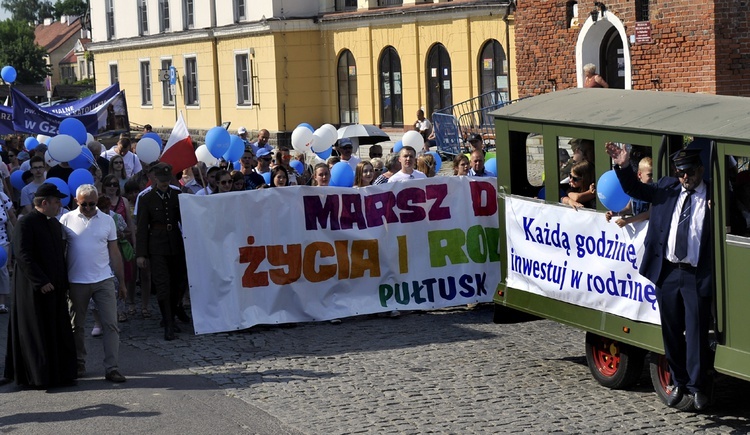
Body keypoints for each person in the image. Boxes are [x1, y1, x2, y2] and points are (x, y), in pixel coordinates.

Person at [606, 143, 712, 411]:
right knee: (671, 332)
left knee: (697, 333)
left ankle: (698, 387)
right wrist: (623, 165)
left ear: (700, 170)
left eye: (688, 172)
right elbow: (636, 190)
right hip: (668, 272)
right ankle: (679, 382)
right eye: (680, 172)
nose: (684, 178)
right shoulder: (668, 187)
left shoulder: (714, 196)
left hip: (695, 274)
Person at [2, 183, 77, 388]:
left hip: (55, 287)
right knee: (36, 329)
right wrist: (41, 281)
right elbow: (23, 255)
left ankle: (61, 372)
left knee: (56, 328)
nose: (60, 205)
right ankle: (40, 376)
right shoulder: (26, 223)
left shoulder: (53, 223)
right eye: (56, 201)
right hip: (33, 289)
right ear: (44, 203)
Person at [60, 184, 127, 383]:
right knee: (76, 326)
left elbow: (115, 252)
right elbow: (61, 253)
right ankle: (79, 363)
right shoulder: (66, 219)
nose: (89, 208)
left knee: (111, 325)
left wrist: (122, 282)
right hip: (76, 281)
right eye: (84, 204)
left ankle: (112, 368)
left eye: (92, 204)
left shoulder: (107, 220)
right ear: (76, 201)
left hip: (103, 279)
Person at [136, 163, 188, 341]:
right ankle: (168, 324)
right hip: (157, 246)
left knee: (178, 283)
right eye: (162, 180)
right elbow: (142, 227)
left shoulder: (177, 195)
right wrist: (141, 253)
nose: (165, 183)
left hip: (176, 243)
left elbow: (186, 220)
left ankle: (172, 316)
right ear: (155, 179)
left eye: (168, 180)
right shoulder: (146, 198)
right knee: (163, 284)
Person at [606, 156, 653, 227]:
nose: (653, 178)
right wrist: (615, 213)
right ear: (639, 174)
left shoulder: (653, 191)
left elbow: (648, 214)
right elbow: (629, 209)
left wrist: (627, 220)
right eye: (650, 175)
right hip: (638, 229)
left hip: (648, 228)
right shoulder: (635, 190)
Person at [0, 189, 16, 313]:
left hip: (2, 240)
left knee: (2, 270)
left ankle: (2, 302)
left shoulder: (2, 196)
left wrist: (18, 232)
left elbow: (11, 216)